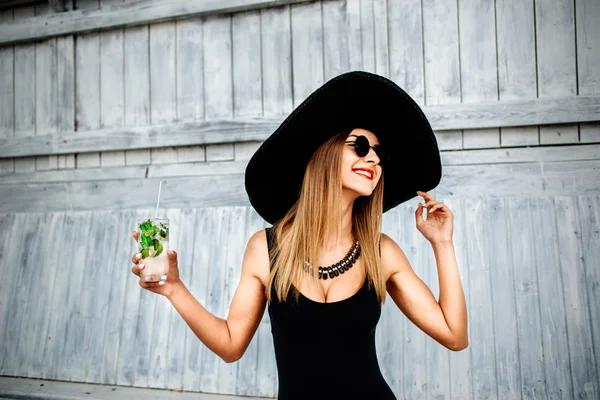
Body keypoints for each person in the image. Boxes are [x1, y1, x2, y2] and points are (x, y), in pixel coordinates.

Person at [131, 71, 468, 399]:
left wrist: (442, 243)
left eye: (379, 153)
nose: (374, 159)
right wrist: (174, 289)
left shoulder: (381, 252)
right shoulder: (265, 249)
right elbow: (231, 345)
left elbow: (454, 335)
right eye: (361, 146)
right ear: (323, 154)